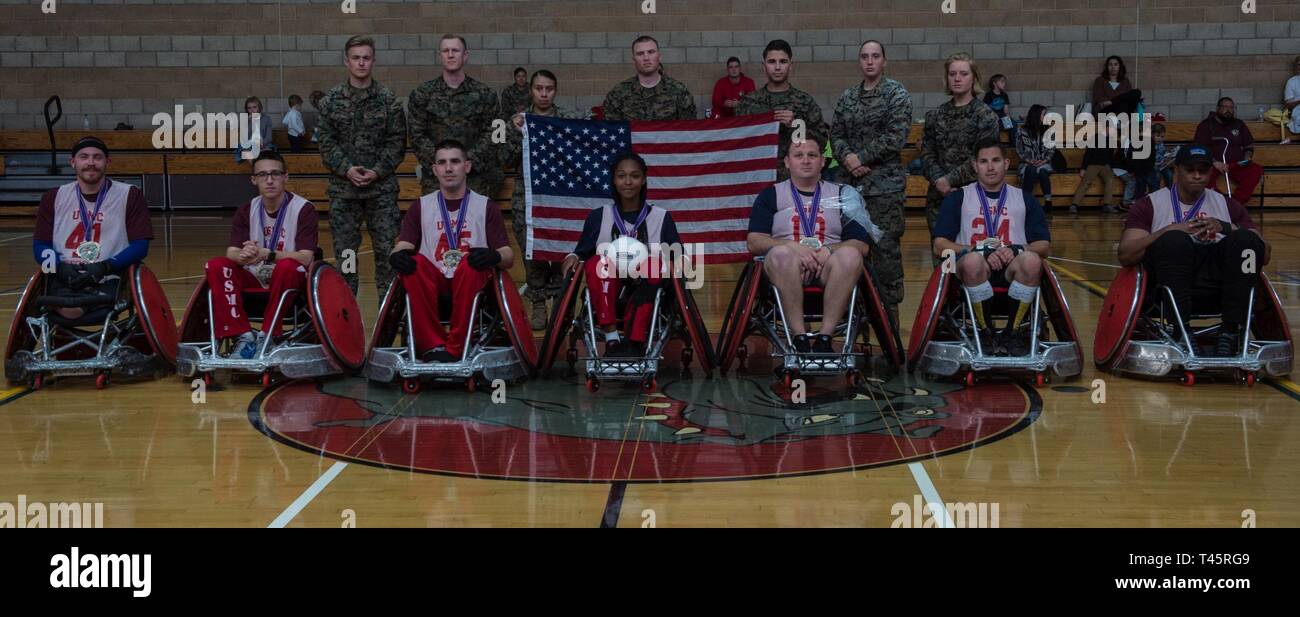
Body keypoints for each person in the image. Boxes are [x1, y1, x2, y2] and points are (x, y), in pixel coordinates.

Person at [1117, 144, 1267, 357]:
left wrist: (1225, 227)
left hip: (1221, 286)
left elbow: (1264, 252)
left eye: (1203, 170)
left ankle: (1230, 331)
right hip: (1167, 287)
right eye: (1190, 170)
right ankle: (1181, 330)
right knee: (1174, 240)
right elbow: (1125, 254)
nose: (1197, 176)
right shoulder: (1149, 204)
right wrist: (1168, 230)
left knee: (1246, 239)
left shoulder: (1227, 205)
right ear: (1176, 170)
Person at [744, 136, 880, 353]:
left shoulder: (843, 194)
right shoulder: (771, 195)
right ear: (787, 162)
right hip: (785, 267)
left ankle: (825, 338)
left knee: (852, 255)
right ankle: (799, 338)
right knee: (781, 254)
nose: (805, 160)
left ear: (822, 162)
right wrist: (791, 246)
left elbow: (861, 245)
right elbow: (754, 241)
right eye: (798, 155)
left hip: (829, 267)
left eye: (812, 155)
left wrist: (828, 250)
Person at [387, 140, 513, 362]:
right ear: (434, 169)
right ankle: (432, 345)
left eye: (455, 161)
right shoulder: (420, 206)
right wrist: (396, 256)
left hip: (472, 279)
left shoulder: (486, 206)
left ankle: (456, 348)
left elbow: (508, 256)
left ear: (467, 166)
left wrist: (494, 255)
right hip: (435, 281)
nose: (448, 168)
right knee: (412, 263)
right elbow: (403, 245)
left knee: (471, 264)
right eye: (442, 163)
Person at [932, 140, 1050, 355]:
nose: (990, 167)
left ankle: (1012, 334)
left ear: (1006, 163)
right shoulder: (958, 198)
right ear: (975, 166)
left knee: (1032, 259)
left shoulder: (1024, 199)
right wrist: (979, 250)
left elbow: (1043, 246)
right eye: (983, 161)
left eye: (996, 160)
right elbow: (940, 247)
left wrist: (1016, 249)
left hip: (1012, 272)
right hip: (971, 275)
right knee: (972, 261)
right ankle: (985, 332)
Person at [560, 152, 683, 358]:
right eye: (621, 176)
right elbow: (581, 253)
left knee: (654, 265)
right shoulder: (599, 216)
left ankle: (634, 342)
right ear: (614, 180)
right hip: (609, 285)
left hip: (648, 285)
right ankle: (612, 339)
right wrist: (572, 256)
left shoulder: (661, 217)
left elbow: (678, 257)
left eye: (634, 176)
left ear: (643, 180)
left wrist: (672, 263)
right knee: (597, 262)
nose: (628, 182)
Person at [316, 34, 408, 295]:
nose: (361, 63)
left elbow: (397, 142)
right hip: (344, 192)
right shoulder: (330, 101)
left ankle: (387, 318)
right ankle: (345, 317)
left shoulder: (389, 100)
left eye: (366, 58)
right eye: (356, 58)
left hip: (381, 192)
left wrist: (377, 171)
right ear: (346, 61)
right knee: (346, 255)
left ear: (373, 61)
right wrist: (346, 168)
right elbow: (325, 142)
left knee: (388, 254)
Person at [202, 152, 318, 358]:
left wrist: (269, 255)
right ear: (254, 180)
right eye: (263, 175)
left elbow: (306, 258)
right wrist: (244, 255)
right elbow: (232, 251)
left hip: (290, 279)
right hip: (254, 275)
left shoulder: (304, 209)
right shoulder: (246, 209)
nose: (270, 180)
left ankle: (268, 335)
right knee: (217, 264)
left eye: (275, 173)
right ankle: (243, 336)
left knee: (288, 266)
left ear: (286, 177)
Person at [829, 39, 911, 322]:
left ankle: (889, 328)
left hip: (884, 190)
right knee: (850, 255)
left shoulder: (896, 94)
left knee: (886, 257)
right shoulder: (847, 96)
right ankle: (853, 322)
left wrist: (860, 157)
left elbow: (896, 137)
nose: (870, 61)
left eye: (875, 56)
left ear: (884, 61)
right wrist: (849, 158)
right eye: (864, 56)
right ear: (859, 61)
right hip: (851, 191)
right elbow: (835, 134)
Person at [33, 136, 153, 321]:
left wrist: (106, 266)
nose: (91, 162)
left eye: (97, 157)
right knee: (67, 306)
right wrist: (58, 266)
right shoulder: (53, 197)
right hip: (65, 277)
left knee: (72, 309)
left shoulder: (129, 195)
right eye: (84, 157)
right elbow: (40, 246)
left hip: (110, 276)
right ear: (73, 162)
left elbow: (141, 246)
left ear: (107, 162)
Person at [506, 69, 584, 329]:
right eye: (538, 88)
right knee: (531, 249)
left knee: (565, 249)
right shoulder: (518, 121)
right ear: (531, 90)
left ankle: (562, 304)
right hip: (526, 196)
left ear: (555, 90)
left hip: (562, 196)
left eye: (548, 88)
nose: (543, 94)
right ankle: (538, 301)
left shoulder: (568, 120)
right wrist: (516, 133)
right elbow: (502, 158)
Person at [408, 34, 503, 197]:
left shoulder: (486, 94)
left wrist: (467, 162)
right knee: (435, 222)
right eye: (446, 51)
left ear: (465, 55)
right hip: (436, 179)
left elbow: (497, 134)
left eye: (455, 50)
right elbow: (416, 134)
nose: (450, 54)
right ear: (440, 56)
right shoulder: (422, 94)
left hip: (475, 178)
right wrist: (443, 162)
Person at [920, 52, 1000, 235]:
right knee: (943, 257)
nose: (957, 78)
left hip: (975, 197)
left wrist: (949, 180)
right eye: (952, 74)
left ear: (974, 79)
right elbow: (927, 154)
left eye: (963, 74)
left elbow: (984, 159)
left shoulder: (986, 116)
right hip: (939, 199)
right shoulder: (935, 115)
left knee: (975, 259)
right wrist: (940, 181)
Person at [737, 39, 829, 181]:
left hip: (795, 180)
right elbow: (737, 143)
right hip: (757, 179)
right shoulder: (748, 103)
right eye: (772, 62)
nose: (777, 67)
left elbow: (822, 142)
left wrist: (796, 126)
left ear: (791, 65)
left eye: (783, 62)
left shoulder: (805, 102)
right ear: (764, 66)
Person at [602, 36, 696, 121]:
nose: (646, 58)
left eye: (651, 52)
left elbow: (688, 131)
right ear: (634, 60)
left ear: (659, 56)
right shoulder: (619, 92)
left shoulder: (679, 91)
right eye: (640, 54)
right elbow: (612, 131)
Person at [1194, 97, 1262, 205]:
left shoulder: (1239, 124)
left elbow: (1248, 145)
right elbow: (1200, 148)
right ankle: (1220, 203)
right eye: (1225, 107)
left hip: (1235, 164)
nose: (1228, 110)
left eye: (1231, 107)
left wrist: (1246, 158)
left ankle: (1236, 203)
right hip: (1213, 164)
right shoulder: (1206, 125)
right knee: (1202, 173)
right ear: (1217, 108)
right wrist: (1215, 162)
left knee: (1255, 170)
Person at [1015, 104, 1056, 216]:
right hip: (1027, 163)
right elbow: (1019, 149)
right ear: (1037, 115)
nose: (1046, 116)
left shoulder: (1049, 130)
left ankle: (1048, 202)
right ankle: (1025, 202)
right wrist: (1029, 160)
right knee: (1031, 170)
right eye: (1044, 114)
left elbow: (1052, 149)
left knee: (1043, 172)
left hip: (1044, 163)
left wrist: (1044, 160)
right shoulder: (1022, 130)